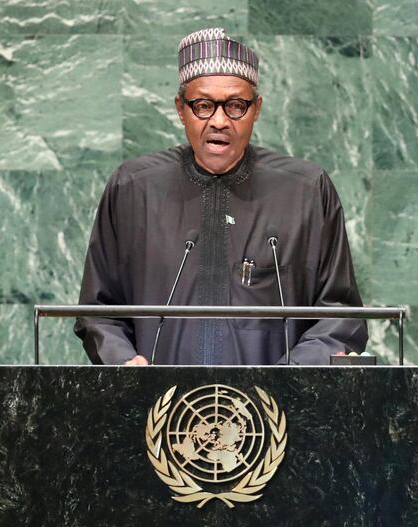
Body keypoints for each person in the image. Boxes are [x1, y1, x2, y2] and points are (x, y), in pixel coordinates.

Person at [74, 28, 367, 365]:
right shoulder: (133, 188)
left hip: (276, 412)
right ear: (180, 109)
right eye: (202, 105)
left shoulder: (307, 190)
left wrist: (292, 375)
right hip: (158, 410)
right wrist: (124, 362)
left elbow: (341, 315)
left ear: (256, 109)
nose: (219, 121)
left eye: (236, 106)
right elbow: (98, 310)